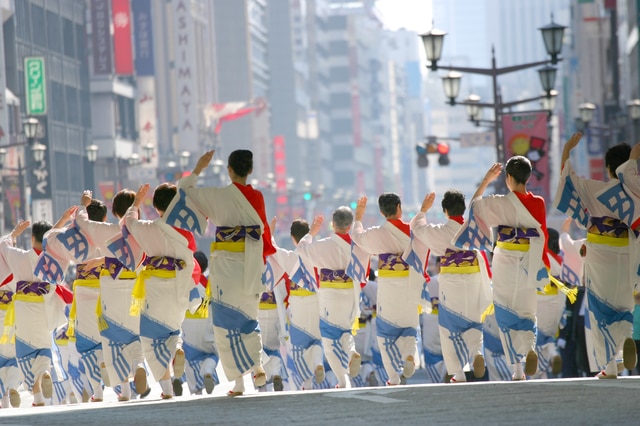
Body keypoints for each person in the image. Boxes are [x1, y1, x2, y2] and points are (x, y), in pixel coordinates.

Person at [177, 150, 275, 396]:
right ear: (250, 170)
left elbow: (185, 190)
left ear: (229, 170)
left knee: (224, 324)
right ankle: (258, 365)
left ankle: (240, 383)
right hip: (251, 263)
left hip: (226, 267)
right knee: (250, 320)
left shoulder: (218, 197)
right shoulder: (258, 197)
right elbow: (264, 236)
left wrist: (199, 168)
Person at [453, 157, 550, 380]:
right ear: (528, 176)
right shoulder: (539, 203)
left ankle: (517, 370)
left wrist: (487, 180)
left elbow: (474, 206)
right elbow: (543, 234)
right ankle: (530, 347)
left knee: (506, 311)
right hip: (530, 257)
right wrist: (542, 266)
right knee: (527, 310)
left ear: (508, 178)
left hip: (506, 256)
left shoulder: (500, 202)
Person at [554, 133, 636, 378]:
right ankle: (626, 340)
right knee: (623, 302)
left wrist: (567, 149)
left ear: (608, 168)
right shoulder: (636, 193)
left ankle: (609, 365)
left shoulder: (595, 188)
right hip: (627, 251)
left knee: (599, 307)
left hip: (599, 250)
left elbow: (567, 178)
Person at [74, 189, 148, 401]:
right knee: (135, 334)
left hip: (111, 286)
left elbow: (82, 222)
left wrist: (84, 204)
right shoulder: (142, 229)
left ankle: (124, 390)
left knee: (113, 337)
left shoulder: (105, 230)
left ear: (114, 210)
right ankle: (139, 364)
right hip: (137, 287)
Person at [411, 190, 492, 383]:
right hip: (473, 277)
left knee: (448, 327)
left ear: (445, 210)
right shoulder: (474, 228)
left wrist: (423, 210)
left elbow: (416, 229)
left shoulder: (439, 231)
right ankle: (476, 353)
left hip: (450, 279)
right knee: (473, 321)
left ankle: (458, 373)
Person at [124, 183, 196, 399]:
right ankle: (176, 351)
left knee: (150, 340)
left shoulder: (148, 228)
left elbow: (129, 222)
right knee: (173, 331)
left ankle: (166, 390)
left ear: (156, 207)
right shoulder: (186, 232)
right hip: (179, 287)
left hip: (154, 288)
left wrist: (136, 202)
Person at [0, 213, 72, 406]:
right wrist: (62, 222)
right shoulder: (56, 261)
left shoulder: (20, 257)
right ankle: (45, 372)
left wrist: (13, 233)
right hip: (46, 309)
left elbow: (3, 247)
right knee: (44, 348)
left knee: (24, 354)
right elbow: (50, 242)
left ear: (32, 238)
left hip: (23, 310)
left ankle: (37, 397)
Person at [351, 193, 420, 386]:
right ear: (400, 207)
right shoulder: (413, 231)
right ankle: (409, 356)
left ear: (381, 211)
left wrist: (358, 217)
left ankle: (393, 377)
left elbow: (356, 237)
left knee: (385, 335)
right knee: (410, 330)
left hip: (388, 287)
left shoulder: (376, 233)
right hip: (410, 285)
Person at [296, 207, 368, 388]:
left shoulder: (323, 245)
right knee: (345, 331)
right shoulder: (358, 245)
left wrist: (312, 232)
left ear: (333, 224)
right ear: (350, 225)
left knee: (329, 340)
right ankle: (351, 352)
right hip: (351, 294)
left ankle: (343, 380)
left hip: (330, 294)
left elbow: (301, 250)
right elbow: (364, 272)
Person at [270, 218, 325, 391]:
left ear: (293, 238)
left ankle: (307, 382)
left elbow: (272, 250)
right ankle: (318, 363)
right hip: (317, 302)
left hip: (298, 305)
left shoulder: (290, 257)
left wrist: (270, 233)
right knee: (316, 340)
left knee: (299, 347)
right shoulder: (319, 256)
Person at [180, 250, 219, 396]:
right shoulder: (209, 284)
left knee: (190, 360)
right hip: (207, 329)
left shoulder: (184, 284)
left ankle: (197, 392)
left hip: (189, 328)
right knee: (214, 354)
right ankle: (208, 370)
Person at [533, 228, 565, 379]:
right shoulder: (560, 263)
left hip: (537, 302)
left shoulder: (539, 257)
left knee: (534, 339)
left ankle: (537, 374)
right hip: (555, 305)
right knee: (547, 337)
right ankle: (552, 353)